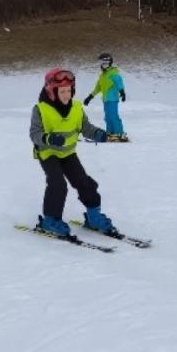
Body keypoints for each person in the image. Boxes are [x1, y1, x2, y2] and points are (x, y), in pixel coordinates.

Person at [30, 68, 119, 238]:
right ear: (52, 91)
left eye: (69, 91)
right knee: (58, 185)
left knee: (84, 182)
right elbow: (34, 134)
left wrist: (98, 134)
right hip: (48, 153)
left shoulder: (77, 107)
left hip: (68, 153)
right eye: (62, 91)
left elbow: (85, 128)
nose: (66, 95)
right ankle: (50, 220)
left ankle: (93, 216)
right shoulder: (40, 109)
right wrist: (49, 139)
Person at [84, 52, 127, 138]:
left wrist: (122, 92)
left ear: (109, 62)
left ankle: (119, 134)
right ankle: (110, 133)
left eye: (103, 62)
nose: (102, 65)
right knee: (107, 117)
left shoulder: (113, 74)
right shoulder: (103, 76)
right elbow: (97, 88)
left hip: (113, 99)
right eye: (101, 63)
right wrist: (90, 97)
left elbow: (119, 83)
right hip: (106, 100)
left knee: (113, 117)